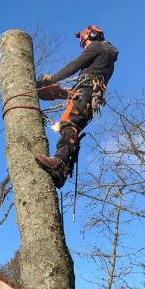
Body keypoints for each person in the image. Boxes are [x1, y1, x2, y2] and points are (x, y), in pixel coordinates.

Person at [35, 25, 119, 188]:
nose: (84, 46)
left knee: (69, 124)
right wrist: (65, 91)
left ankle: (58, 164)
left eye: (84, 42)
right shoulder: (107, 56)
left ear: (92, 36)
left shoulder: (98, 46)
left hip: (86, 92)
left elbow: (75, 64)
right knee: (71, 127)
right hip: (90, 94)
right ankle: (62, 171)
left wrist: (52, 78)